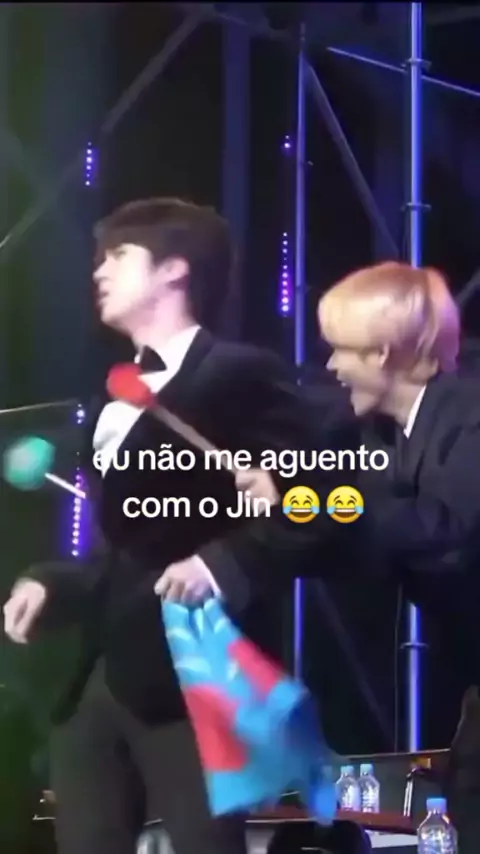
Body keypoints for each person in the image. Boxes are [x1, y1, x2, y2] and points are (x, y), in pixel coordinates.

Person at [3, 198, 369, 854]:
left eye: (118, 256)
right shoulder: (112, 394)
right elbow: (127, 552)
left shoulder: (240, 373)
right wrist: (51, 581)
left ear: (174, 270)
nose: (99, 271)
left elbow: (319, 501)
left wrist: (221, 563)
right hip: (93, 678)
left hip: (192, 673)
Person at [317, 261, 480, 852]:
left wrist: (327, 505)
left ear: (384, 353)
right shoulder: (394, 437)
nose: (331, 367)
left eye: (341, 350)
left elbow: (449, 531)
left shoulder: (470, 415)